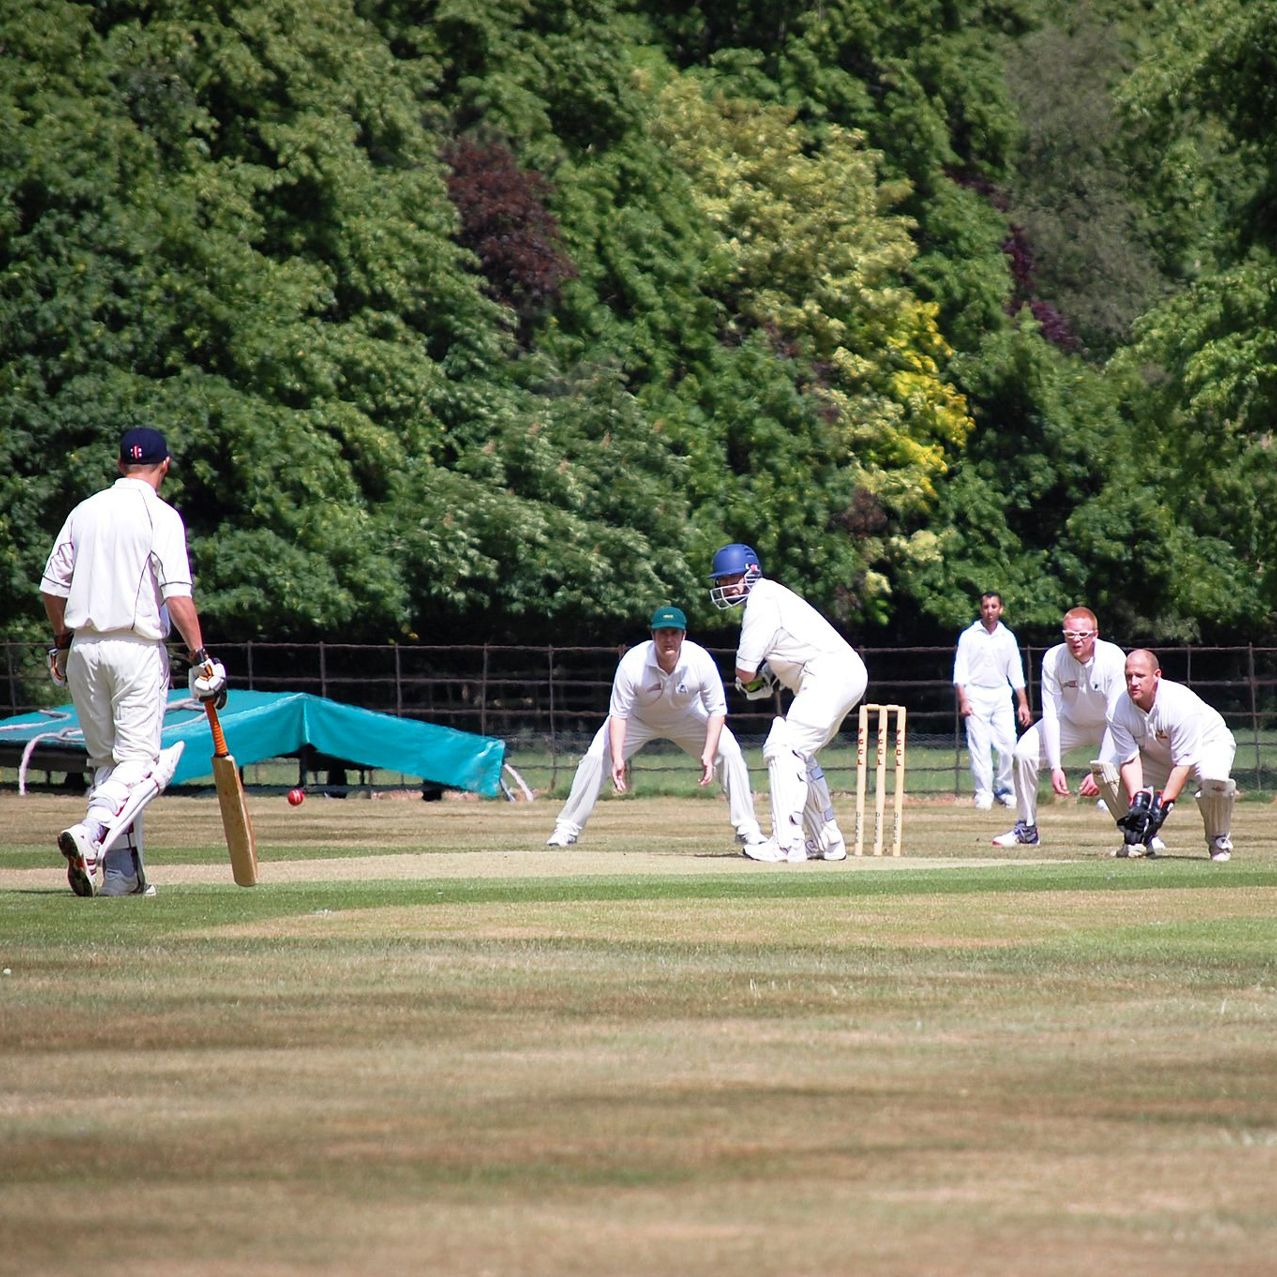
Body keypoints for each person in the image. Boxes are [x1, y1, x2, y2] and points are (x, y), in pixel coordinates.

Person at [40, 426, 226, 897]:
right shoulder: (159, 514)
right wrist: (200, 656)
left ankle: (123, 876)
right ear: (165, 466)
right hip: (136, 648)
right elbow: (177, 595)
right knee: (141, 765)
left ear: (121, 464)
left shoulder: (85, 511)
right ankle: (91, 831)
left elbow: (51, 588)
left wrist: (62, 642)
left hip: (83, 648)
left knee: (109, 764)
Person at [545, 605, 766, 849]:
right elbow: (618, 715)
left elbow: (716, 711)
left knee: (729, 752)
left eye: (674, 633)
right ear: (653, 635)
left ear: (683, 636)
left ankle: (747, 828)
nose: (668, 639)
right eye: (663, 633)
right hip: (637, 719)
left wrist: (708, 752)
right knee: (597, 757)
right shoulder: (633, 663)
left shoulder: (699, 660)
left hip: (687, 716)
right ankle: (566, 830)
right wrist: (618, 758)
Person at [708, 543, 868, 864]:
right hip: (842, 674)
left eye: (731, 578)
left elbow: (745, 671)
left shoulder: (761, 601)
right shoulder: (773, 596)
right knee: (800, 755)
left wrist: (752, 682)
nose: (725, 587)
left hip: (829, 676)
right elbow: (779, 659)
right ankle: (827, 840)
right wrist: (768, 676)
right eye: (722, 581)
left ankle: (786, 843)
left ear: (751, 573)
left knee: (783, 748)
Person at [992, 606, 1126, 848]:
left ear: (1095, 634)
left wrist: (1101, 771)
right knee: (1023, 754)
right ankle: (1027, 828)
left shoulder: (1113, 657)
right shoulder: (1054, 658)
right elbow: (1051, 714)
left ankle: (1142, 831)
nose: (1076, 640)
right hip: (1070, 722)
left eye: (1083, 635)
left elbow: (1116, 717)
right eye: (1070, 635)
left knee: (1135, 759)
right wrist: (1055, 767)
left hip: (1109, 725)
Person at [1094, 649, 1238, 862]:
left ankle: (1218, 840)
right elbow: (1129, 759)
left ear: (1157, 675)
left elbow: (1183, 764)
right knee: (1105, 771)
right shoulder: (1117, 709)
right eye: (1129, 676)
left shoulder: (1180, 705)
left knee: (1214, 781)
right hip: (1158, 754)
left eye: (1140, 676)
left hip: (1208, 747)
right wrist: (1138, 802)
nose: (1133, 682)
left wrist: (1163, 805)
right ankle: (1138, 839)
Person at [953, 591, 1032, 809]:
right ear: (981, 609)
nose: (990, 611)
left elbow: (1016, 674)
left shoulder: (1007, 637)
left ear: (1001, 609)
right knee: (980, 746)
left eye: (994, 606)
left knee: (1008, 744)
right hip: (975, 694)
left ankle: (1006, 789)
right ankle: (983, 793)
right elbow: (960, 672)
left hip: (1001, 695)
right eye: (986, 607)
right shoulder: (969, 636)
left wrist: (1023, 704)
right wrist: (964, 700)